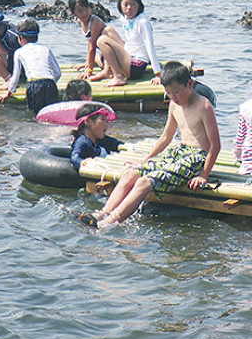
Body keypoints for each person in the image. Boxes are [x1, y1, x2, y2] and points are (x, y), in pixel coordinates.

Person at [75, 61, 220, 229]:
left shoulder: (204, 106)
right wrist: (145, 161)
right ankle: (103, 213)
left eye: (176, 92)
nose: (173, 97)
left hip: (196, 158)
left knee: (145, 182)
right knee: (130, 173)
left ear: (189, 84)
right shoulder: (174, 105)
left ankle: (112, 220)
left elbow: (215, 146)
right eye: (168, 93)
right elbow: (166, 137)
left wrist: (203, 175)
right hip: (179, 152)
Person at [90, 0, 161, 87]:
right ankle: (108, 69)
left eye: (133, 4)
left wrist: (158, 74)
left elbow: (150, 47)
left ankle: (118, 77)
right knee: (108, 30)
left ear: (139, 5)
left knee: (102, 41)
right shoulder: (125, 19)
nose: (129, 8)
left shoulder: (143, 22)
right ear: (120, 6)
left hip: (136, 65)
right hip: (129, 56)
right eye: (126, 5)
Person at [0, 18, 61, 113]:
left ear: (20, 38)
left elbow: (15, 76)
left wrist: (9, 92)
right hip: (50, 83)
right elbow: (58, 73)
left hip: (34, 85)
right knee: (52, 113)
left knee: (37, 115)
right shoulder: (46, 49)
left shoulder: (19, 52)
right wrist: (51, 83)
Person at [67, 0, 124, 81]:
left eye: (86, 9)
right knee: (97, 58)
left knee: (107, 31)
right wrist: (88, 62)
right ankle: (104, 66)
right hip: (107, 55)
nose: (85, 13)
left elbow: (92, 47)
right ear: (72, 13)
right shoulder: (80, 22)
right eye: (80, 11)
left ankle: (108, 70)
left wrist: (89, 70)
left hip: (120, 53)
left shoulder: (95, 21)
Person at [70, 103, 123, 170]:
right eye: (103, 120)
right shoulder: (82, 142)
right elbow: (75, 157)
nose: (107, 125)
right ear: (88, 122)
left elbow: (119, 144)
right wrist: (82, 162)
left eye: (107, 121)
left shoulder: (104, 140)